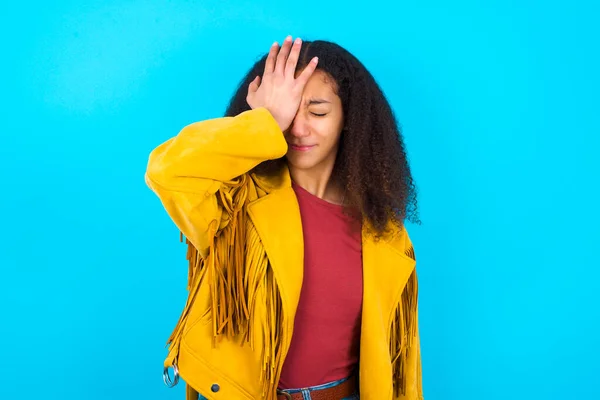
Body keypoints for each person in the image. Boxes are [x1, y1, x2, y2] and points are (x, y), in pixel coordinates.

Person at [145, 36, 424, 400]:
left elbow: (401, 355)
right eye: (288, 112)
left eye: (318, 111)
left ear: (347, 119)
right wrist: (264, 122)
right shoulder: (233, 201)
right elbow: (167, 171)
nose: (298, 128)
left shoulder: (383, 230)